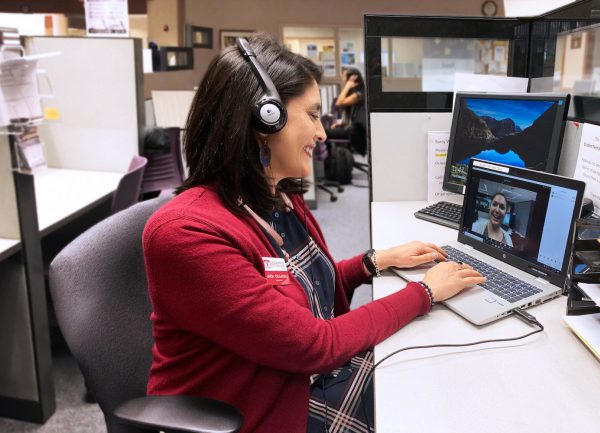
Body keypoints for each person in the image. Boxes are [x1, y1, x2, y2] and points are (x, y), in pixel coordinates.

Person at [143, 33, 485, 433]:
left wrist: (374, 262)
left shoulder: (277, 197)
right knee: (421, 403)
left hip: (293, 377)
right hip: (254, 412)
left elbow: (299, 295)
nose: (322, 133)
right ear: (263, 120)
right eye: (311, 115)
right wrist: (423, 293)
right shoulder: (187, 233)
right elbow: (314, 345)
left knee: (426, 366)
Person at [325, 67, 365, 141]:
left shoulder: (359, 94)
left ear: (352, 79)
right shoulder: (355, 92)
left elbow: (339, 103)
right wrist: (341, 123)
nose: (343, 79)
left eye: (344, 77)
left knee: (324, 133)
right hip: (350, 128)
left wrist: (348, 85)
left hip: (352, 132)